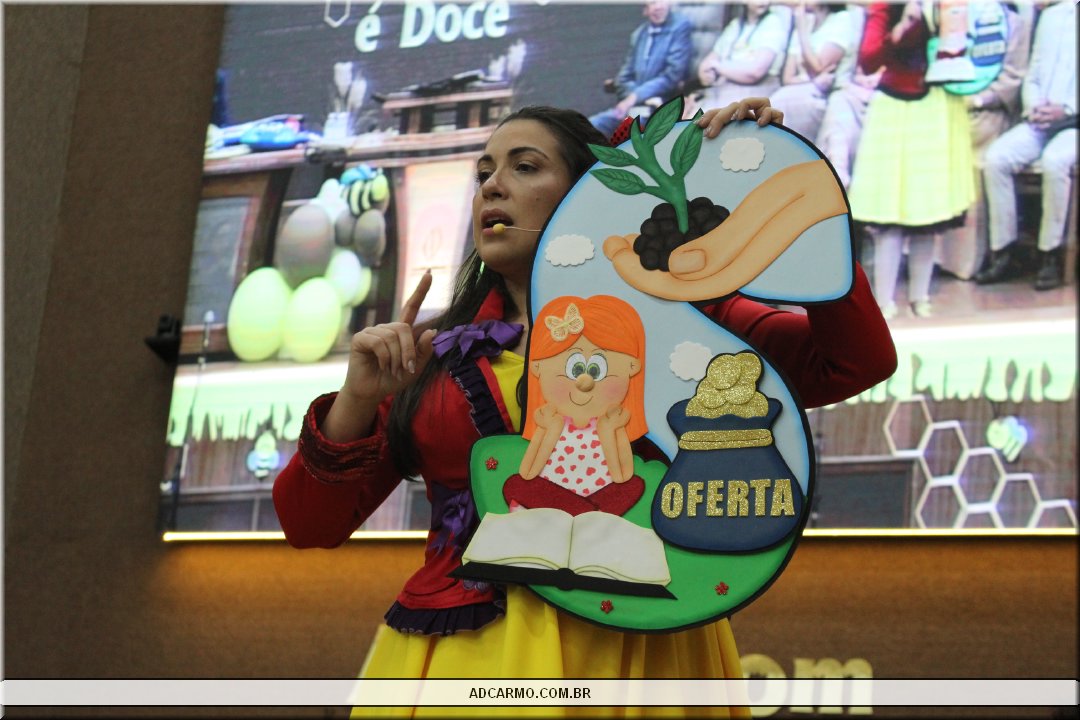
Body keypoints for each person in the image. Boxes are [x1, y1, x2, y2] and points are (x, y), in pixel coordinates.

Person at [273, 97, 897, 717]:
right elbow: (310, 527)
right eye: (484, 172)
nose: (492, 185)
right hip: (472, 654)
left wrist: (773, 178)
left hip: (646, 646)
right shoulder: (430, 352)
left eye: (524, 167)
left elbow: (854, 362)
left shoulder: (683, 316)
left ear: (586, 195)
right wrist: (358, 399)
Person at [846, 1, 975, 319]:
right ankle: (884, 303)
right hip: (894, 110)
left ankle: (920, 298)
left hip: (936, 107)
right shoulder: (885, 6)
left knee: (927, 213)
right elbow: (868, 60)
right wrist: (903, 26)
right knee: (890, 214)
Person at [505, 295, 647, 517]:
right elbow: (528, 471)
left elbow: (622, 476)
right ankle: (587, 514)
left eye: (596, 370)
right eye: (576, 368)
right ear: (538, 367)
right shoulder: (552, 422)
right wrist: (550, 428)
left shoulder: (610, 424)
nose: (585, 381)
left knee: (634, 485)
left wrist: (609, 430)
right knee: (515, 483)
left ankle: (574, 513)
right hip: (553, 491)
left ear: (632, 366)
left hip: (600, 493)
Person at [975, 0, 1076, 291]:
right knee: (997, 158)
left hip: (1074, 121)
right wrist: (1033, 106)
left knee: (1055, 161)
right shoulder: (1053, 15)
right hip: (1041, 117)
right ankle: (1004, 251)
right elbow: (1035, 69)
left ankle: (1050, 253)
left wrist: (1066, 109)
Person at [936, 1, 1032, 280]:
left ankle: (972, 261)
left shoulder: (1013, 22)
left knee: (979, 166)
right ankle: (934, 258)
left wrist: (978, 99)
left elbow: (1013, 77)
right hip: (947, 110)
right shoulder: (951, 14)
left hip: (990, 112)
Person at [589, 1, 694, 137]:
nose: (658, 7)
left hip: (661, 107)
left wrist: (635, 97)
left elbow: (673, 76)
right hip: (634, 106)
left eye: (661, 1)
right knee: (589, 126)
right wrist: (637, 98)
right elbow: (623, 78)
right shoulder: (639, 35)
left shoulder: (680, 27)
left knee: (631, 133)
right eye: (652, 3)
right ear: (644, 10)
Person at [770, 1, 858, 143]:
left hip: (827, 93)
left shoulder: (842, 19)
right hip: (803, 87)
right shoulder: (806, 20)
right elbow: (788, 78)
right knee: (774, 103)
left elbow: (819, 67)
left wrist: (802, 32)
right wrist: (811, 80)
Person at [695, 0, 791, 111]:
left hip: (758, 87)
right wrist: (705, 72)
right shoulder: (735, 25)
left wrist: (718, 67)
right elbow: (710, 59)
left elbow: (755, 72)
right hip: (726, 85)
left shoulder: (773, 22)